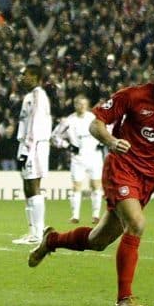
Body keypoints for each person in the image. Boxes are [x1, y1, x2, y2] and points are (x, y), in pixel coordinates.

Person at [28, 53, 154, 306]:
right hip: (122, 168)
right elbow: (96, 122)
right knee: (137, 224)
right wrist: (111, 141)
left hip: (148, 179)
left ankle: (51, 240)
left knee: (97, 241)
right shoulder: (133, 96)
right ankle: (124, 299)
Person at [12, 56, 52, 245]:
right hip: (27, 145)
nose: (22, 78)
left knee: (34, 186)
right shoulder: (28, 96)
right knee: (27, 187)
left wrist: (27, 149)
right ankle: (32, 231)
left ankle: (38, 232)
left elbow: (34, 125)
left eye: (25, 75)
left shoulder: (37, 95)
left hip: (35, 145)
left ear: (35, 78)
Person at [51, 94, 104, 224]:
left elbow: (106, 130)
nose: (82, 106)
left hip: (94, 156)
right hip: (78, 158)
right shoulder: (69, 120)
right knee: (76, 186)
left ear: (87, 105)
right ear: (75, 105)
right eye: (79, 104)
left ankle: (96, 215)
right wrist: (67, 146)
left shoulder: (94, 118)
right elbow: (54, 136)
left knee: (96, 185)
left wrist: (102, 142)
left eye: (84, 104)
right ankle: (75, 216)